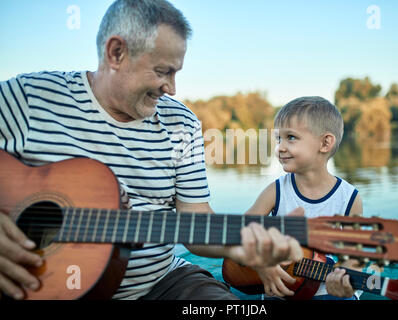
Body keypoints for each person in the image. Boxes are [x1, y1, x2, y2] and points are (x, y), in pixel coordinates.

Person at [0, 0, 303, 300]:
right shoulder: (28, 99)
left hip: (162, 284)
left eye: (176, 73)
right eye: (162, 71)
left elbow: (195, 220)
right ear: (116, 53)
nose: (172, 88)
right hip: (40, 286)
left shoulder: (181, 122)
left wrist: (241, 246)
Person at [245, 96, 364, 300]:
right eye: (278, 139)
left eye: (290, 137)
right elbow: (241, 229)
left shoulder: (349, 199)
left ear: (324, 143)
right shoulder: (276, 190)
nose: (280, 148)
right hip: (283, 290)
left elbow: (354, 257)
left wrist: (345, 278)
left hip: (327, 293)